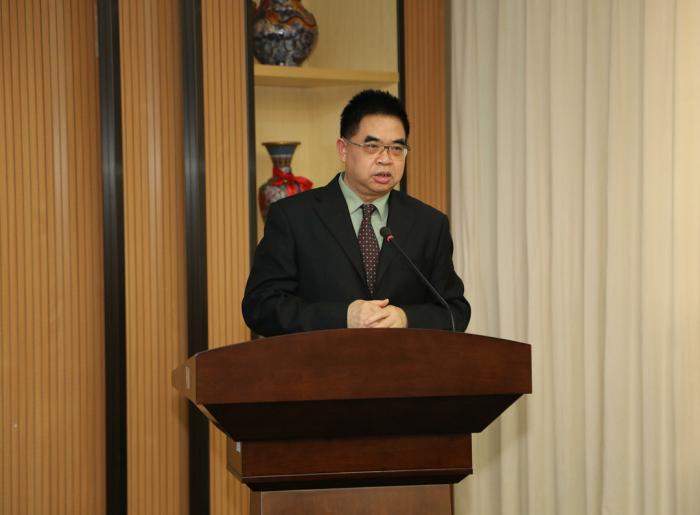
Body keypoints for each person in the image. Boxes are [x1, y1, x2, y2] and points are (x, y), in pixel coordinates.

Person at [242, 89, 470, 336]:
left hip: (402, 360)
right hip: (318, 360)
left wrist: (406, 318)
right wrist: (343, 316)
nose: (386, 159)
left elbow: (455, 311)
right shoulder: (293, 217)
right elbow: (260, 306)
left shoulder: (429, 224)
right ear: (343, 149)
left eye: (396, 148)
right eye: (372, 146)